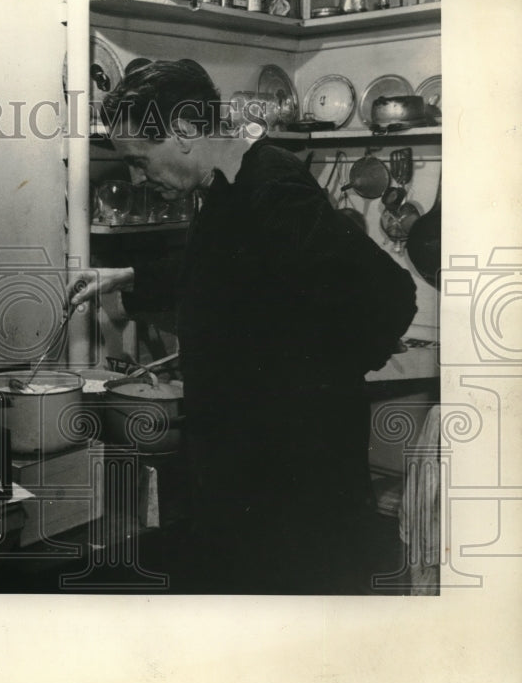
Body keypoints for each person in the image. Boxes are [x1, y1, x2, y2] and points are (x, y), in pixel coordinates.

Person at [69, 59, 418, 594]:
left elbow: (391, 294)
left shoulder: (272, 185)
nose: (139, 176)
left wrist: (311, 384)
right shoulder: (227, 187)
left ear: (184, 132)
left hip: (291, 461)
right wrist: (129, 275)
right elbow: (220, 273)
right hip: (245, 454)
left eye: (141, 160)